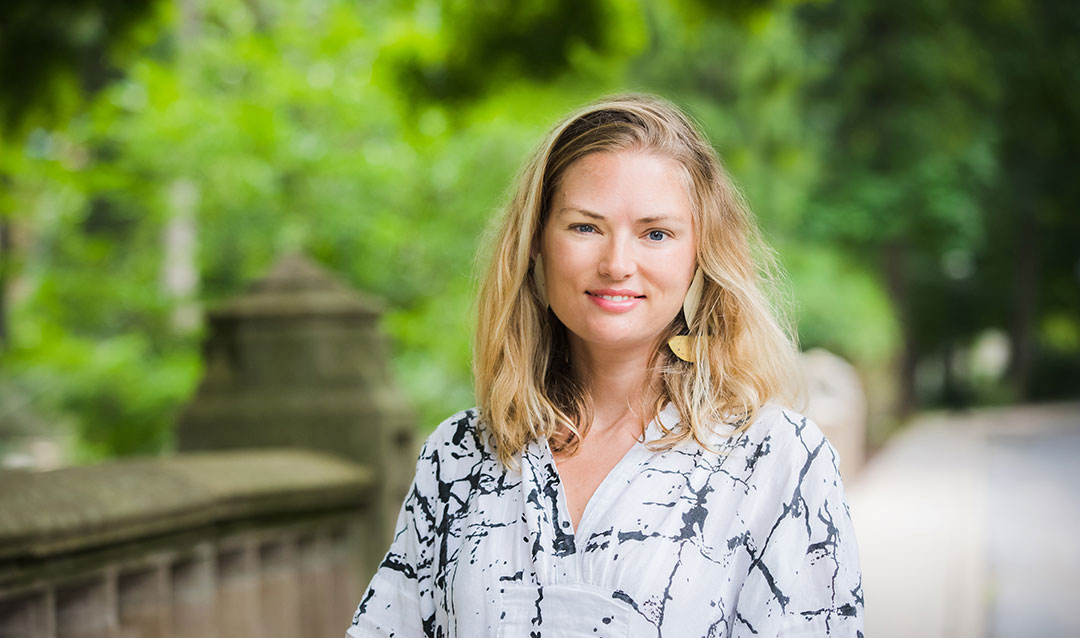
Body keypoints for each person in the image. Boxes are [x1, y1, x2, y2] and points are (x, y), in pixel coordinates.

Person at [346, 94, 864, 637]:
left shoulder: (776, 460)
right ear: (536, 245)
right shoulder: (460, 457)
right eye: (585, 227)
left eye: (656, 234)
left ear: (700, 255)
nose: (617, 263)